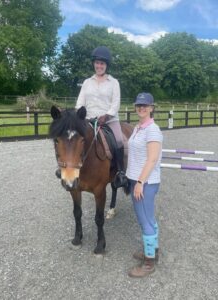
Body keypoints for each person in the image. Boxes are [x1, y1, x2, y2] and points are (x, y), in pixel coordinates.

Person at [75, 46, 127, 188]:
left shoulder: (114, 82)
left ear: (106, 65)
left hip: (109, 120)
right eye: (97, 63)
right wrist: (81, 115)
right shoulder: (87, 82)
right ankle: (71, 168)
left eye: (102, 64)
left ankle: (120, 173)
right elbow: (80, 103)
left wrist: (107, 115)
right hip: (89, 120)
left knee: (119, 140)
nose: (99, 66)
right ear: (94, 64)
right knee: (73, 139)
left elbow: (116, 103)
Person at [126, 92, 163, 278]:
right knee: (149, 218)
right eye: (139, 105)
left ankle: (148, 263)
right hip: (137, 179)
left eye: (145, 105)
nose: (141, 108)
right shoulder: (138, 128)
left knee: (144, 221)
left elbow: (152, 159)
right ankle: (153, 251)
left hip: (145, 182)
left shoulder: (152, 129)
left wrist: (140, 182)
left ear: (151, 108)